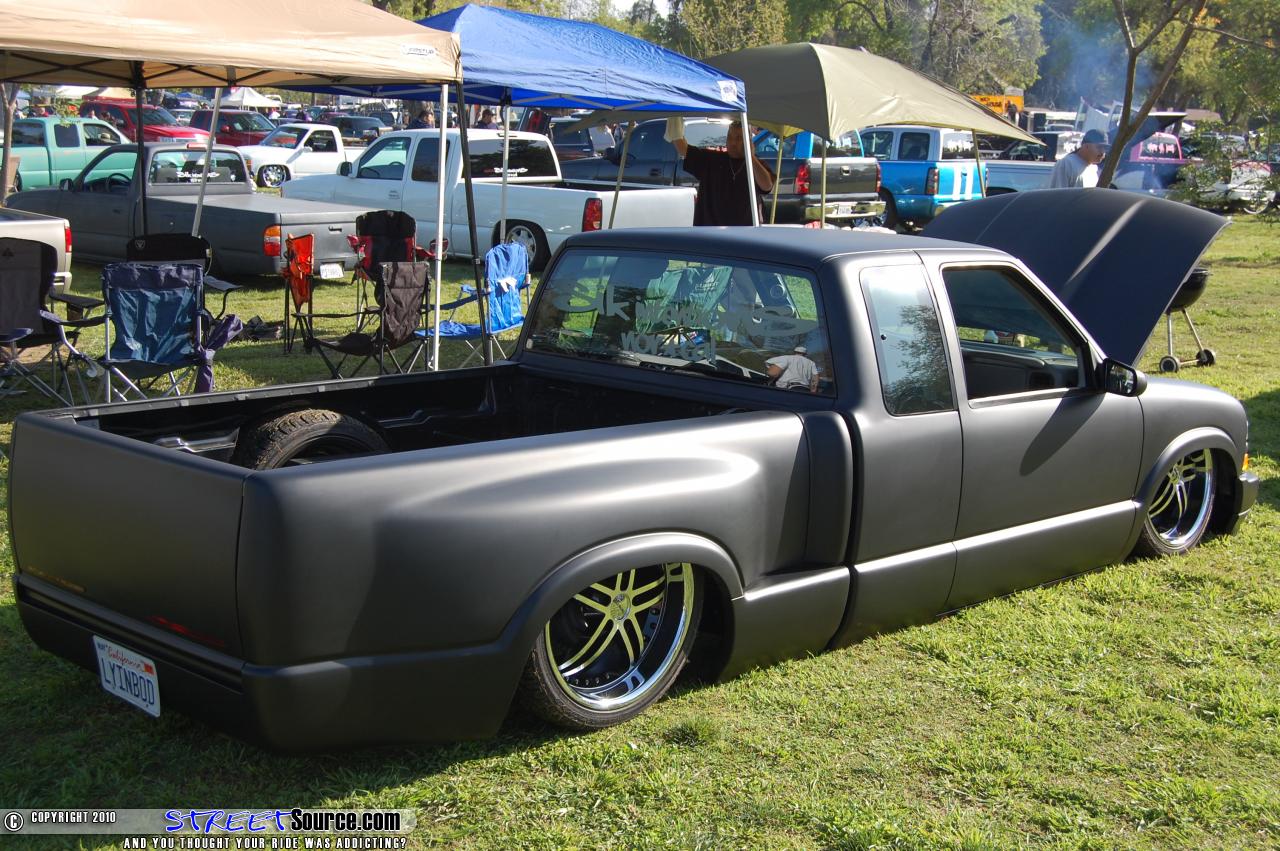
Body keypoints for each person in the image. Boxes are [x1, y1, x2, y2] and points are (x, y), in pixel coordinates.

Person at [667, 118, 774, 226]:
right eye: (730, 137)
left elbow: (767, 186)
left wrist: (751, 157)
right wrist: (674, 118)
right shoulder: (712, 159)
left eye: (739, 138)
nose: (733, 143)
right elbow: (682, 147)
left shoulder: (756, 165)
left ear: (748, 141)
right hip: (711, 231)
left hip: (744, 232)